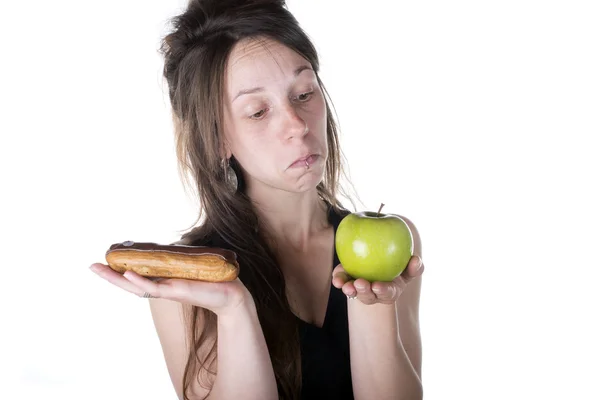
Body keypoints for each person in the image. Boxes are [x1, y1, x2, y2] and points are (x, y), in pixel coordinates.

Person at [90, 1, 425, 399]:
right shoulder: (185, 282)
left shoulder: (393, 242)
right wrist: (234, 311)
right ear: (216, 138)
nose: (297, 125)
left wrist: (373, 305)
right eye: (258, 111)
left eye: (303, 93)